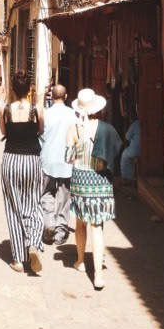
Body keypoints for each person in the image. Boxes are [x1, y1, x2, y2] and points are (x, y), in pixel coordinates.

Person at [66, 87, 122, 290]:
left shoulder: (75, 129)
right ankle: (98, 274)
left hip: (80, 179)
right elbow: (115, 150)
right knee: (97, 226)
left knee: (81, 223)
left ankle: (80, 261)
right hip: (100, 181)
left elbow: (68, 158)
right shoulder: (107, 129)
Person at [0, 71, 45, 274]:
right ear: (29, 89)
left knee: (13, 206)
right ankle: (33, 242)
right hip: (32, 160)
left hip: (11, 160)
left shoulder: (4, 109)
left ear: (13, 89)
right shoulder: (37, 109)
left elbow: (4, 132)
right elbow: (40, 131)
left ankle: (18, 258)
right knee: (34, 202)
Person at [40, 84, 75, 246]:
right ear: (66, 96)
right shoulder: (73, 115)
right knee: (64, 195)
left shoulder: (46, 114)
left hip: (48, 158)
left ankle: (49, 222)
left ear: (52, 97)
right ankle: (60, 230)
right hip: (67, 161)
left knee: (46, 192)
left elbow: (39, 136)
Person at [121, 118, 141, 183]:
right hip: (149, 151)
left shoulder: (136, 123)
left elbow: (127, 137)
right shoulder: (150, 122)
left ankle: (126, 178)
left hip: (135, 150)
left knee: (124, 156)